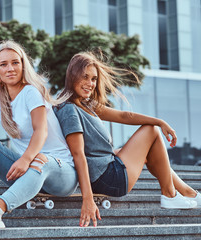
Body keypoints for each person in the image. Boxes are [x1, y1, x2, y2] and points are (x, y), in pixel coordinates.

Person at [53, 52, 201, 228]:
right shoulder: (68, 109)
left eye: (93, 79)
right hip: (108, 178)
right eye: (85, 77)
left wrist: (160, 121)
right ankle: (170, 194)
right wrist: (88, 199)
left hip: (105, 170)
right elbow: (78, 155)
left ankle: (188, 192)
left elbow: (124, 116)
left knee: (151, 147)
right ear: (72, 75)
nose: (90, 84)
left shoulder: (86, 104)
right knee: (151, 131)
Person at [0, 40, 79, 229]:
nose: (10, 68)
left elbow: (40, 130)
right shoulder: (1, 99)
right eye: (3, 64)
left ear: (23, 65)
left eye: (15, 62)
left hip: (61, 173)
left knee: (40, 158)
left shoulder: (31, 92)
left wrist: (26, 159)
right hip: (28, 172)